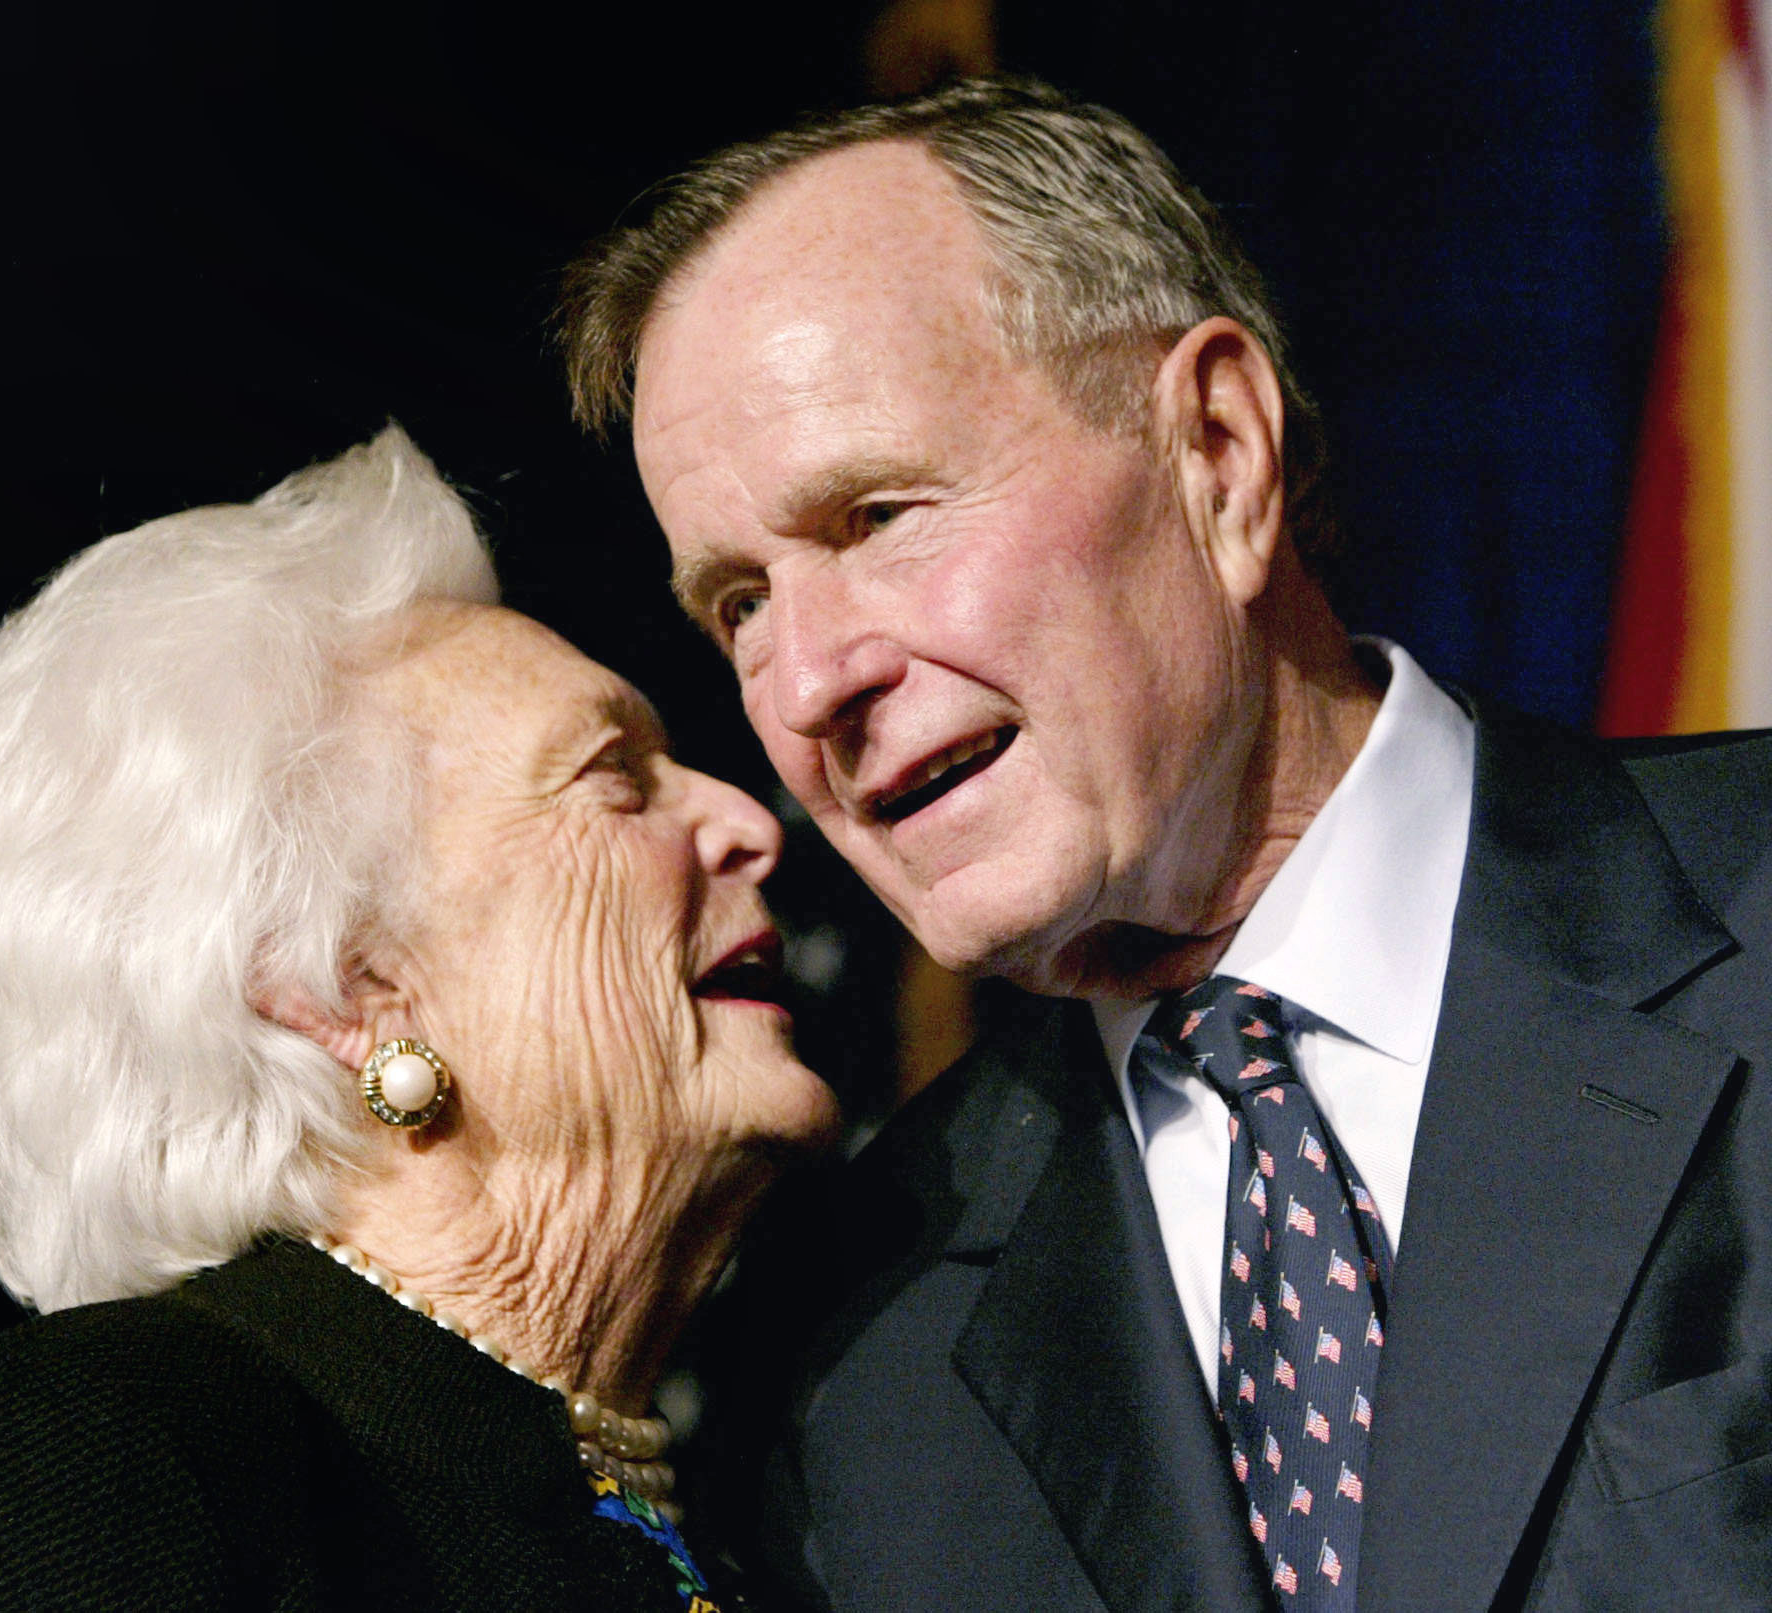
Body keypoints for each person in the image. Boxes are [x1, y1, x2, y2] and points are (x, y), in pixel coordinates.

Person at [558, 79, 1771, 1613]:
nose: (807, 688)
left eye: (877, 517)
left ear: (1218, 453)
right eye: (739, 605)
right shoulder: (846, 1345)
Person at [0, 428, 839, 1611]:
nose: (746, 820)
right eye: (615, 775)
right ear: (341, 985)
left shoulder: (750, 1504)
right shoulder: (95, 1457)